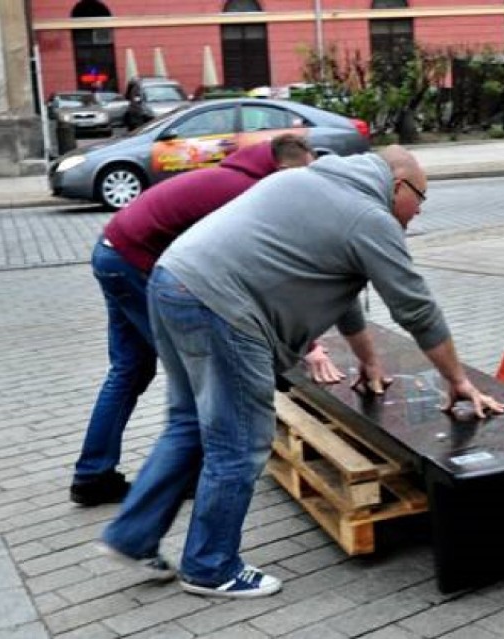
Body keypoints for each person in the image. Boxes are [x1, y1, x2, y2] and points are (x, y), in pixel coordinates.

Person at [99, 145, 504, 598]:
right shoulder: (369, 218)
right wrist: (457, 380)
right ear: (398, 185)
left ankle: (131, 536)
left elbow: (342, 291)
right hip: (222, 308)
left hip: (172, 280)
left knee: (189, 422)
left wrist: (369, 359)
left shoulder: (312, 183)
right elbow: (416, 308)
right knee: (238, 442)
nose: (418, 212)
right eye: (421, 198)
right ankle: (210, 566)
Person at [72, 134, 344, 507]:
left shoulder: (234, 177)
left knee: (130, 369)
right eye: (300, 179)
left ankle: (93, 476)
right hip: (136, 262)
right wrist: (306, 345)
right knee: (199, 372)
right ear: (281, 170)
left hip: (113, 252)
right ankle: (182, 478)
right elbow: (253, 275)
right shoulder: (245, 192)